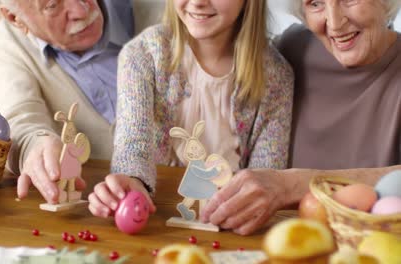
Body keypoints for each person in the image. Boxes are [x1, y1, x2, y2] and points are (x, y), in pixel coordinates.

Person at [200, 0, 401, 235]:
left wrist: (292, 185)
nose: (335, 24)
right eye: (315, 3)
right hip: (279, 241)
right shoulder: (291, 51)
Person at [88, 0, 294, 223]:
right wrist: (131, 180)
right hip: (157, 214)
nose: (197, 2)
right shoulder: (142, 54)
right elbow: (132, 144)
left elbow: (265, 176)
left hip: (231, 219)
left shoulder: (276, 76)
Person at [0, 0, 134, 204]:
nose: (82, 10)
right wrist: (36, 146)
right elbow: (20, 121)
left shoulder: (154, 8)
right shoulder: (2, 46)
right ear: (14, 18)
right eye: (52, 5)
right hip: (100, 199)